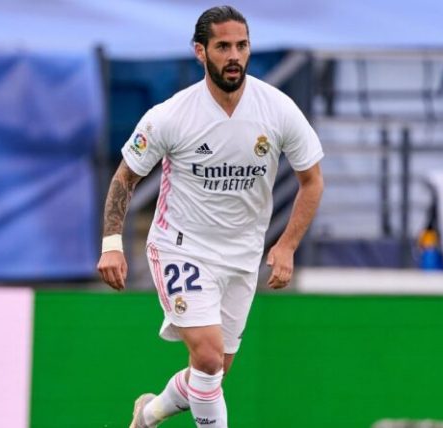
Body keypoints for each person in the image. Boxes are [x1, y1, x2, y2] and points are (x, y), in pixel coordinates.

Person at [96, 5, 324, 428]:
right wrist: (112, 244)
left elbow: (312, 181)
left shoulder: (277, 109)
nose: (234, 56)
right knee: (207, 357)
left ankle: (148, 414)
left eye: (242, 45)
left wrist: (287, 245)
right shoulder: (171, 116)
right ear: (200, 51)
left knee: (212, 372)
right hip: (182, 247)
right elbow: (125, 177)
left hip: (242, 255)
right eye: (223, 47)